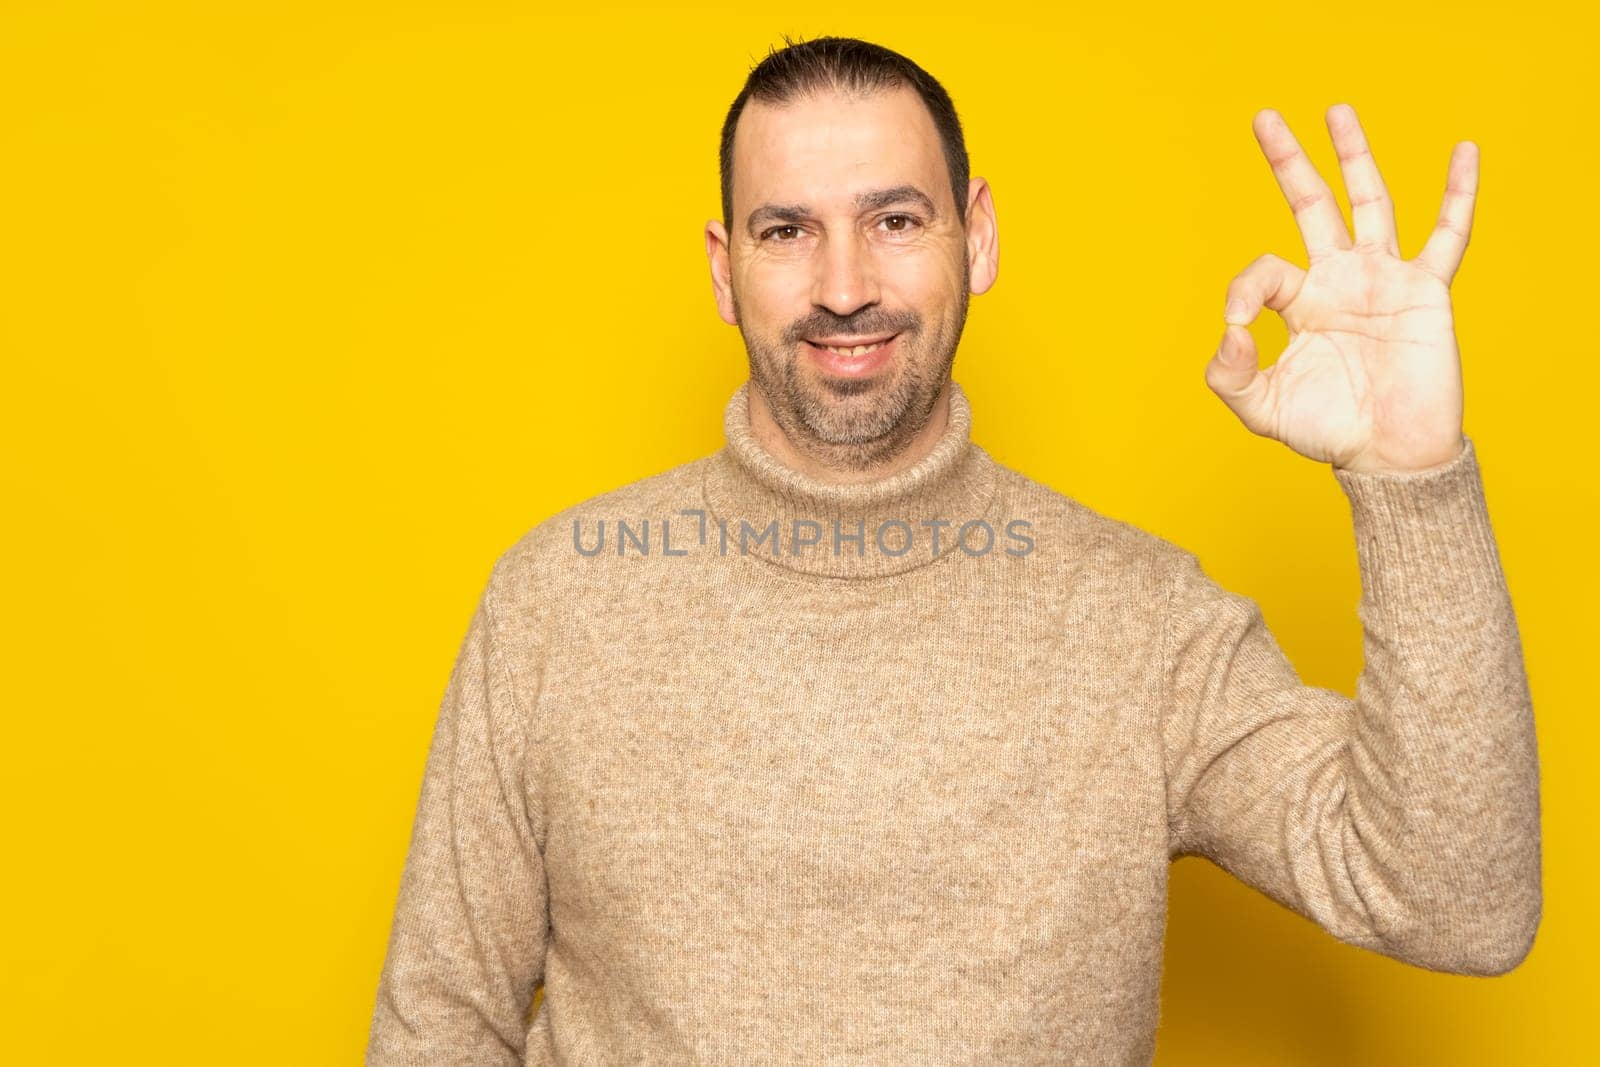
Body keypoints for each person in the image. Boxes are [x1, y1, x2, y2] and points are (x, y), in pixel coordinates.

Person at [365, 34, 1541, 1065]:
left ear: (974, 237)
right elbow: (437, 1024)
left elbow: (1456, 900)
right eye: (787, 231)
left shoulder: (1140, 620)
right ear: (725, 270)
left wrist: (1408, 479)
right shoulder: (559, 600)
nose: (843, 287)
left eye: (894, 219)